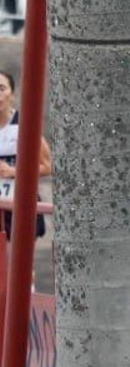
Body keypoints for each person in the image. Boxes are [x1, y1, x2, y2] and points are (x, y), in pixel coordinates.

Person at [0, 70, 51, 243]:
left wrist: (14, 172)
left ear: (12, 95)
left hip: (20, 204)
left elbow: (47, 167)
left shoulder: (25, 125)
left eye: (1, 89)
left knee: (20, 258)